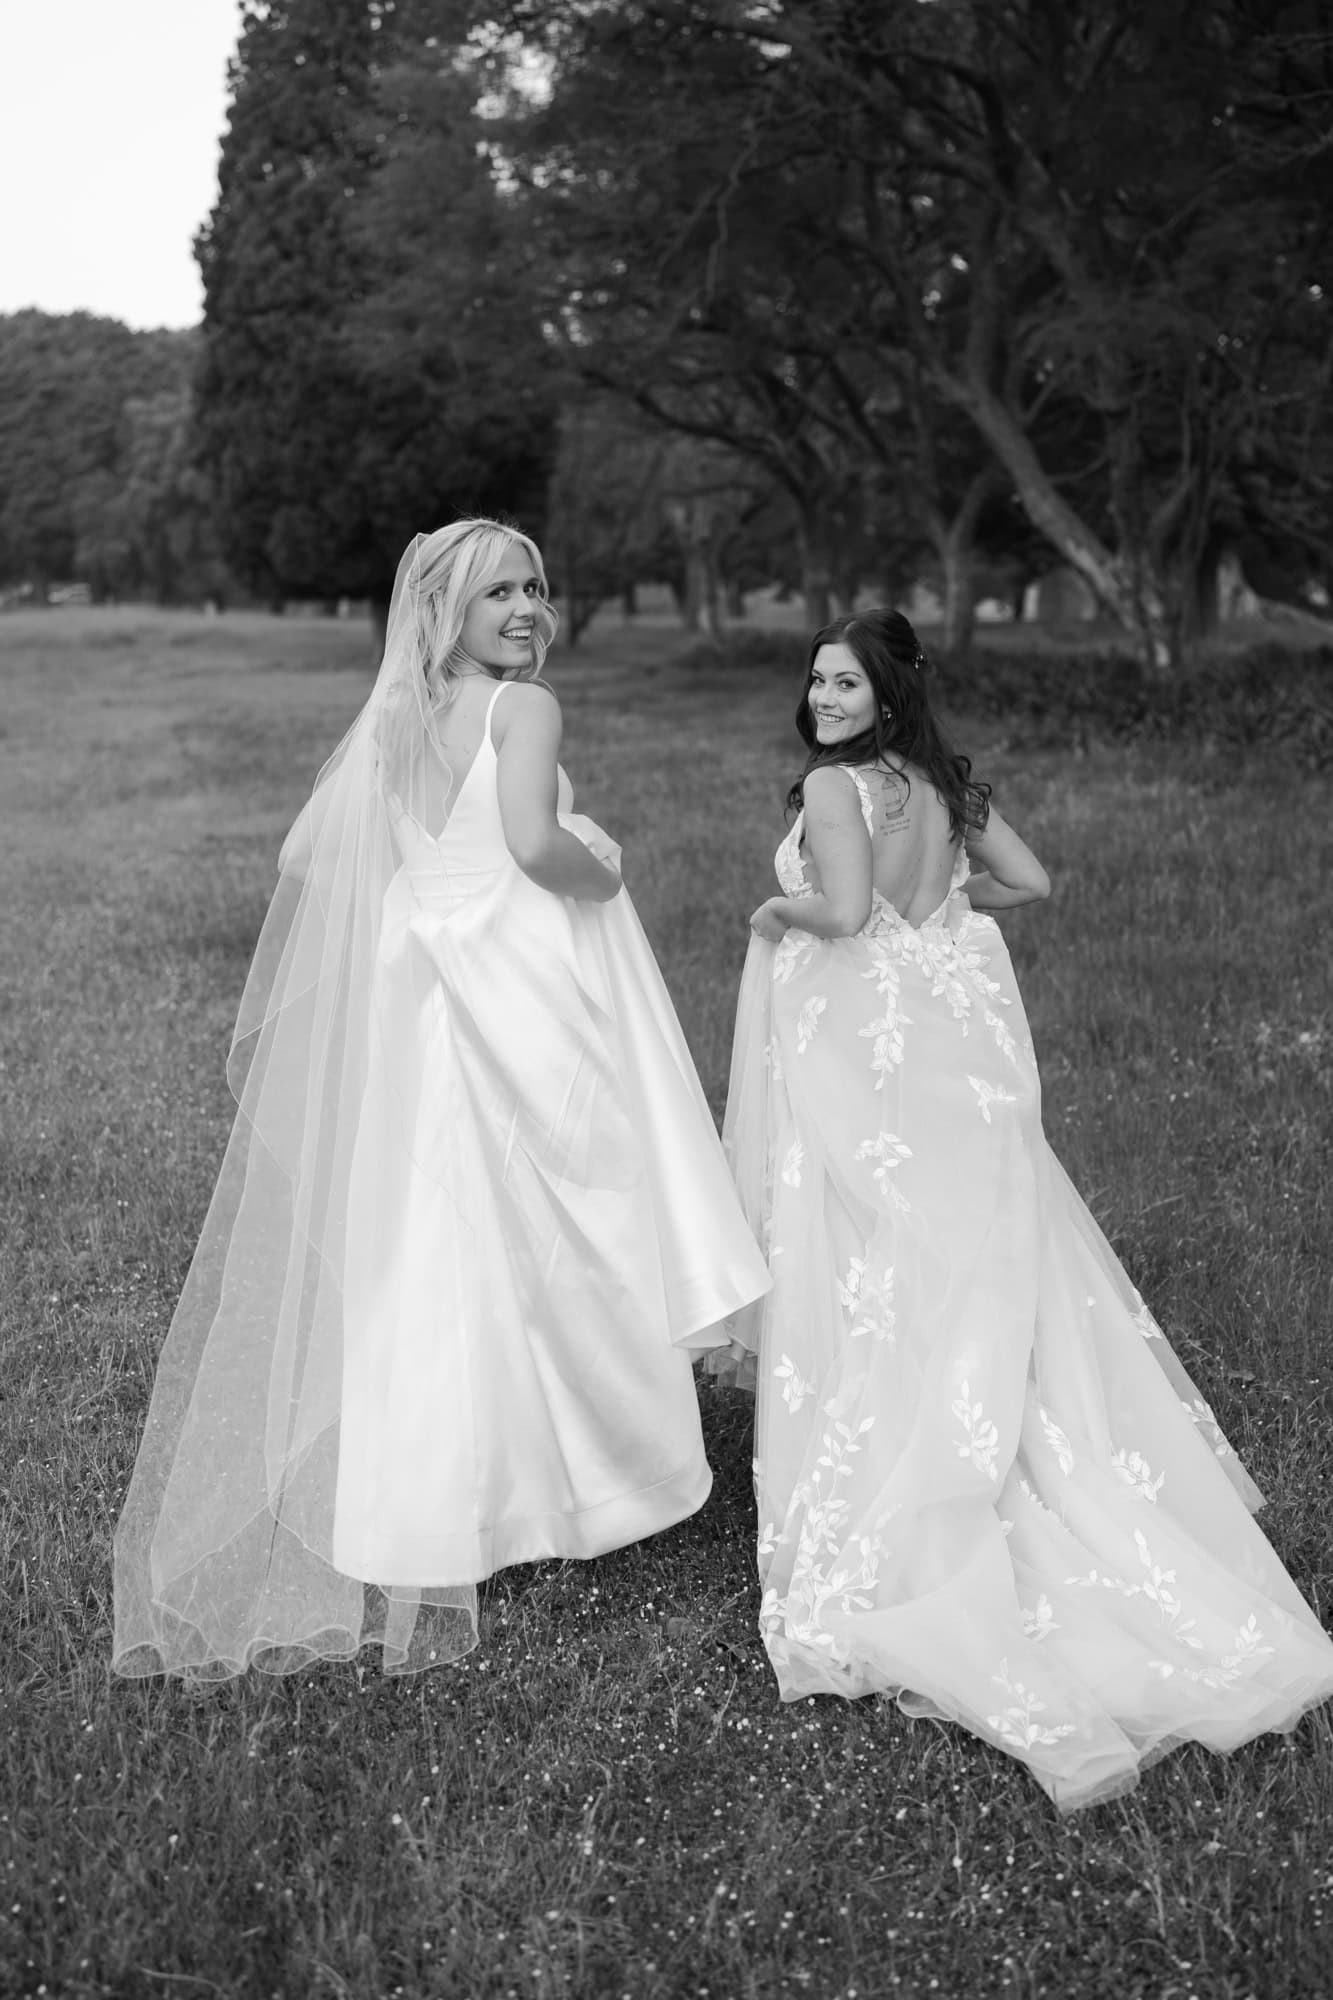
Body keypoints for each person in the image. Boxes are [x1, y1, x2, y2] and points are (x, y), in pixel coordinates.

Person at [113, 517, 770, 1680]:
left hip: (431, 982)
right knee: (578, 1214)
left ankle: (444, 1491)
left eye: (536, 586)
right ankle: (592, 1479)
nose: (527, 608)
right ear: (449, 610)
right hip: (524, 973)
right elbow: (528, 844)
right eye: (500, 593)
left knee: (445, 1231)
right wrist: (600, 861)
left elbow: (359, 853)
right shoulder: (525, 710)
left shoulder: (395, 716)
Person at [717, 607, 1333, 1810]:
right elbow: (1030, 884)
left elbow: (843, 918)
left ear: (887, 691)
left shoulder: (839, 792)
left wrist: (776, 914)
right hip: (958, 1056)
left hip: (874, 1065)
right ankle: (1013, 1439)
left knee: (878, 1256)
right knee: (974, 1255)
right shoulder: (948, 785)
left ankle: (918, 1477)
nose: (823, 694)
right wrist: (944, 924)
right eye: (816, 677)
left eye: (844, 679)